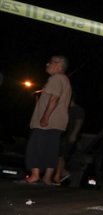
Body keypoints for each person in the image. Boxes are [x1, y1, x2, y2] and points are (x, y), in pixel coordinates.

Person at [23, 55, 72, 185]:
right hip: (58, 122)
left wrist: (45, 117)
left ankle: (35, 175)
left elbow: (54, 99)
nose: (47, 65)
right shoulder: (65, 80)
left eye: (49, 63)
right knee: (51, 149)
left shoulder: (55, 78)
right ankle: (47, 177)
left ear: (58, 65)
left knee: (35, 147)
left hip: (48, 121)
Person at [55, 96, 85, 185]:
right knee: (59, 155)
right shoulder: (65, 109)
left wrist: (74, 134)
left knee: (60, 155)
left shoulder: (78, 110)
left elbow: (79, 122)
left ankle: (60, 175)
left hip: (69, 136)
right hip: (62, 135)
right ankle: (63, 173)